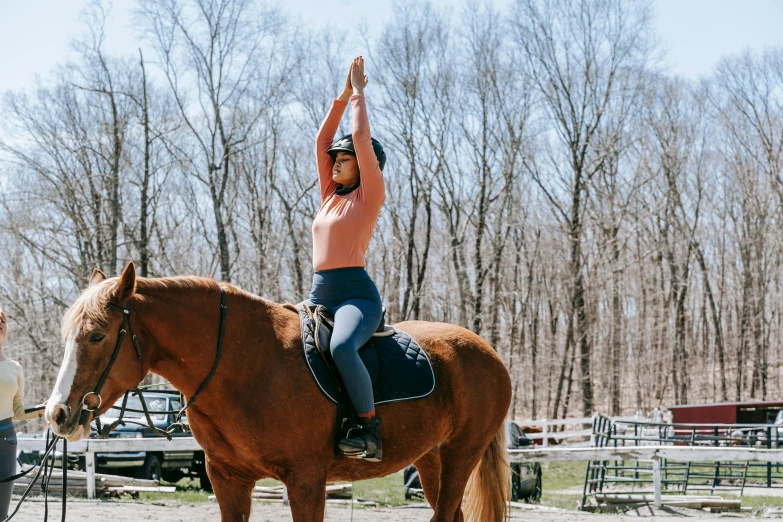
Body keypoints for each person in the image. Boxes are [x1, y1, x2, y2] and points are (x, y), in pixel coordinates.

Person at [310, 56, 387, 462]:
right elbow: (322, 142)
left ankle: (368, 428)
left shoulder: (368, 197)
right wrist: (340, 96)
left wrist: (359, 95)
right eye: (335, 158)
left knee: (341, 347)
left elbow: (359, 139)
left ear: (364, 166)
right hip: (318, 293)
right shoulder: (330, 197)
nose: (335, 160)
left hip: (355, 296)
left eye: (345, 157)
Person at [0, 307, 44, 519]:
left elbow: (17, 410)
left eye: (2, 320)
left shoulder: (15, 367)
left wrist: (42, 411)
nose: (0, 323)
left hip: (6, 439)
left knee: (0, 509)